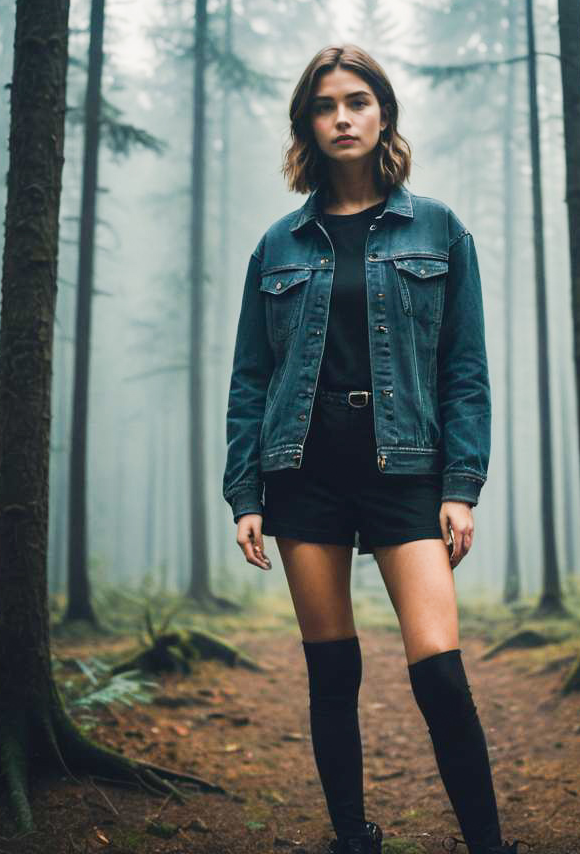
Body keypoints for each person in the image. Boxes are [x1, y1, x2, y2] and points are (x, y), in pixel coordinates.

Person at [223, 44, 528, 854]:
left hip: (407, 473)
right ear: (308, 125)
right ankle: (354, 837)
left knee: (439, 672)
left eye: (357, 101)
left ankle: (488, 844)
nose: (342, 117)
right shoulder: (279, 244)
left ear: (382, 112)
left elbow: (466, 371)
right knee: (332, 672)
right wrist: (245, 496)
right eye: (325, 106)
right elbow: (250, 379)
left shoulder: (438, 229)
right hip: (305, 474)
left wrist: (461, 485)